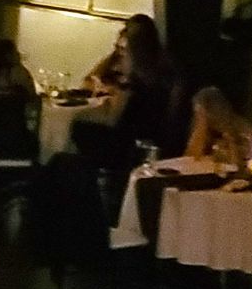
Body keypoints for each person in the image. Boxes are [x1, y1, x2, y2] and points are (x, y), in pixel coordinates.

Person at [71, 12, 175, 171]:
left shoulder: (142, 79)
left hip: (129, 143)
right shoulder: (147, 73)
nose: (121, 53)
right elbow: (90, 80)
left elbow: (116, 118)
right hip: (132, 136)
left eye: (124, 50)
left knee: (80, 126)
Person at [184, 87, 252, 167]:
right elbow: (190, 159)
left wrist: (230, 142)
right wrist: (201, 126)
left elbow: (243, 161)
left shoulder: (241, 128)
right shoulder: (201, 126)